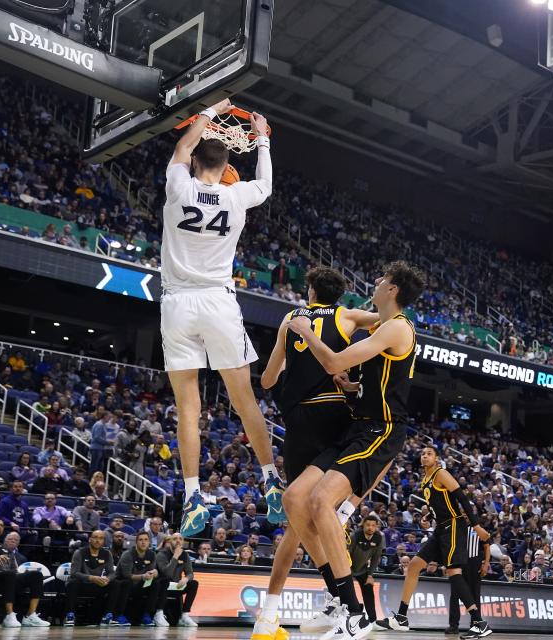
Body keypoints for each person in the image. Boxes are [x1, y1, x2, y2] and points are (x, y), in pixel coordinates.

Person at [159, 97, 283, 537]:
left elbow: (181, 149)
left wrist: (210, 112)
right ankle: (271, 484)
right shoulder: (236, 196)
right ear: (228, 162)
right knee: (243, 400)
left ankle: (193, 496)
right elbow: (265, 184)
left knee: (187, 408)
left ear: (193, 160)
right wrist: (262, 139)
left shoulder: (179, 185)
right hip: (218, 301)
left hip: (177, 305)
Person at [288, 261, 425, 640]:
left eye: (383, 280)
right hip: (356, 428)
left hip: (380, 431)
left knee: (320, 502)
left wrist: (303, 330)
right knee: (294, 498)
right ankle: (337, 596)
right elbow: (377, 380)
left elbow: (331, 359)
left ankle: (356, 614)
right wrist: (351, 387)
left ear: (393, 289)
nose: (377, 283)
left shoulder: (397, 327)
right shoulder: (382, 326)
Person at [251, 266, 381, 640]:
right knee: (322, 508)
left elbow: (268, 379)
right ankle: (341, 597)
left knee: (298, 518)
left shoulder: (291, 319)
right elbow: (388, 321)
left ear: (309, 292)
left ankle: (276, 614)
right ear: (337, 295)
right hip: (335, 416)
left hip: (298, 423)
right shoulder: (346, 316)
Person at [377, 446, 491, 638]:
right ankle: (402, 617)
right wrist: (429, 515)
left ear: (437, 459)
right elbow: (440, 502)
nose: (425, 456)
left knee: (454, 573)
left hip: (454, 525)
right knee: (414, 566)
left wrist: (476, 525)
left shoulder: (441, 473)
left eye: (429, 453)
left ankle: (479, 622)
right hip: (441, 529)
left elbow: (461, 498)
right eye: (422, 454)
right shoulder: (426, 479)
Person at [64, 530, 123, 626]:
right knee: (72, 582)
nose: (97, 540)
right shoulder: (79, 552)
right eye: (95, 537)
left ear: (103, 541)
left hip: (98, 585)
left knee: (115, 583)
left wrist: (107, 579)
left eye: (101, 538)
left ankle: (107, 616)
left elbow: (112, 573)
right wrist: (91, 578)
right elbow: (74, 573)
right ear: (90, 539)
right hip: (82, 585)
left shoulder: (107, 554)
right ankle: (70, 615)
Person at [448, 520, 491, 634]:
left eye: (467, 513)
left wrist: (486, 564)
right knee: (454, 595)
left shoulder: (478, 528)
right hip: (458, 562)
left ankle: (475, 625)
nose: (465, 515)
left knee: (475, 595)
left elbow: (487, 546)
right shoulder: (455, 528)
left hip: (474, 563)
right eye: (463, 513)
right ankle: (453, 626)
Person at [0, 534, 49, 627]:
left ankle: (30, 616)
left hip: (10, 578)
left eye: (1, 525)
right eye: (10, 539)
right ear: (5, 540)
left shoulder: (6, 550)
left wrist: (22, 575)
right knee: (9, 574)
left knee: (36, 574)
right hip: (0, 578)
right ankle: (9, 616)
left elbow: (14, 569)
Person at [116, 531, 161, 626]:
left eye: (146, 540)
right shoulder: (128, 554)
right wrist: (143, 576)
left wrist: (155, 573)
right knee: (127, 582)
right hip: (124, 585)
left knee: (156, 582)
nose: (143, 542)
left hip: (140, 585)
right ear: (136, 542)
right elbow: (126, 575)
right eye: (140, 540)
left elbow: (151, 571)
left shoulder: (152, 554)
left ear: (149, 542)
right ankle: (119, 615)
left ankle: (147, 614)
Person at [155, 533, 199, 627]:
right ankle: (159, 613)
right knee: (165, 580)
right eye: (175, 539)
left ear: (183, 542)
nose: (178, 541)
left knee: (194, 584)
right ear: (170, 541)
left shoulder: (185, 555)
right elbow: (167, 574)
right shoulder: (161, 554)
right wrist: (175, 556)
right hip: (162, 588)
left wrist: (186, 579)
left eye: (180, 539)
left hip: (176, 586)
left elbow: (190, 573)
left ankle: (185, 615)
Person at [350, 515, 384, 623]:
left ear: (376, 526)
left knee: (369, 589)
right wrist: (346, 572)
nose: (370, 528)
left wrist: (370, 575)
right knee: (347, 592)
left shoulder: (378, 538)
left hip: (363, 570)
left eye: (373, 525)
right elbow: (347, 554)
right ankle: (355, 613)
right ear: (363, 524)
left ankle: (372, 620)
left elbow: (375, 558)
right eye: (368, 525)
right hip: (348, 568)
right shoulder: (355, 536)